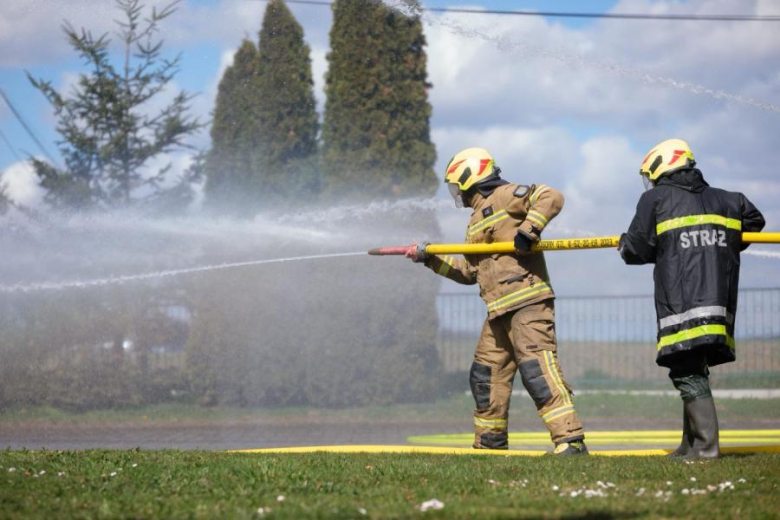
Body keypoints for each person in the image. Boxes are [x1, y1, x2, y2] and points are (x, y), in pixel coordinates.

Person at [407, 147, 587, 455]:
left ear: (469, 177)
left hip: (528, 303)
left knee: (537, 370)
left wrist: (529, 231)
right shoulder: (476, 218)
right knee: (485, 375)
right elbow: (468, 271)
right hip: (498, 311)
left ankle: (570, 441)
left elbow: (551, 196)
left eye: (457, 185)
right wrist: (431, 259)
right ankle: (489, 447)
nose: (456, 193)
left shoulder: (505, 196)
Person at [619, 138, 765, 459]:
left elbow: (636, 249)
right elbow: (755, 221)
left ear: (661, 167)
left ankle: (706, 450)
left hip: (680, 303)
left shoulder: (655, 199)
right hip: (719, 301)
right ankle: (690, 445)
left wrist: (624, 243)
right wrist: (719, 244)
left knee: (685, 368)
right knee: (694, 364)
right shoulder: (730, 200)